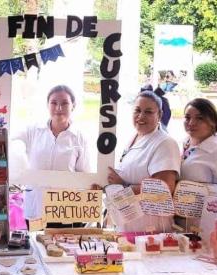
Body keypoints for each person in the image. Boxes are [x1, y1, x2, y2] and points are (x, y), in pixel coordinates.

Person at [13, 85, 92, 227]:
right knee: (36, 245)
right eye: (54, 103)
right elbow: (10, 140)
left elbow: (84, 175)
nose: (59, 108)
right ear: (47, 105)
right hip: (36, 206)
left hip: (65, 209)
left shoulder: (79, 137)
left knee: (63, 247)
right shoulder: (33, 130)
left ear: (73, 105)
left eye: (64, 103)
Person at [107, 90, 180, 232]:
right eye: (137, 110)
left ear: (159, 115)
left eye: (148, 112)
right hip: (128, 224)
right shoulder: (134, 137)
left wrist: (123, 187)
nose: (141, 116)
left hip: (151, 228)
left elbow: (164, 188)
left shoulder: (165, 143)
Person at [181, 98, 217, 183]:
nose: (191, 123)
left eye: (200, 118)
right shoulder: (186, 142)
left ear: (213, 121)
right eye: (187, 117)